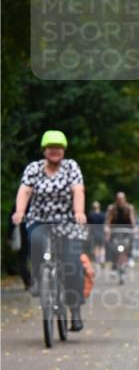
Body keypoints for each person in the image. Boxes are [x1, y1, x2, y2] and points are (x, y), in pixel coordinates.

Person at [12, 130, 88, 330]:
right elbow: (25, 190)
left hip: (67, 223)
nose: (55, 151)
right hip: (40, 220)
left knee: (72, 266)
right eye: (51, 148)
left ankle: (76, 311)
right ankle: (39, 279)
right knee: (36, 240)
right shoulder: (34, 169)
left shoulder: (71, 167)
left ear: (63, 150)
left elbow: (78, 190)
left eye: (58, 148)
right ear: (44, 150)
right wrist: (20, 211)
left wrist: (79, 212)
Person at [105, 191, 136, 279]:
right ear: (116, 199)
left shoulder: (129, 208)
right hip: (115, 231)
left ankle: (130, 258)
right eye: (118, 199)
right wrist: (107, 228)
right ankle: (114, 267)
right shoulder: (112, 208)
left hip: (127, 231)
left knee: (129, 243)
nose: (120, 201)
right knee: (114, 247)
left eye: (122, 199)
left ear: (125, 199)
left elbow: (132, 219)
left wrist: (134, 228)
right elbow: (109, 220)